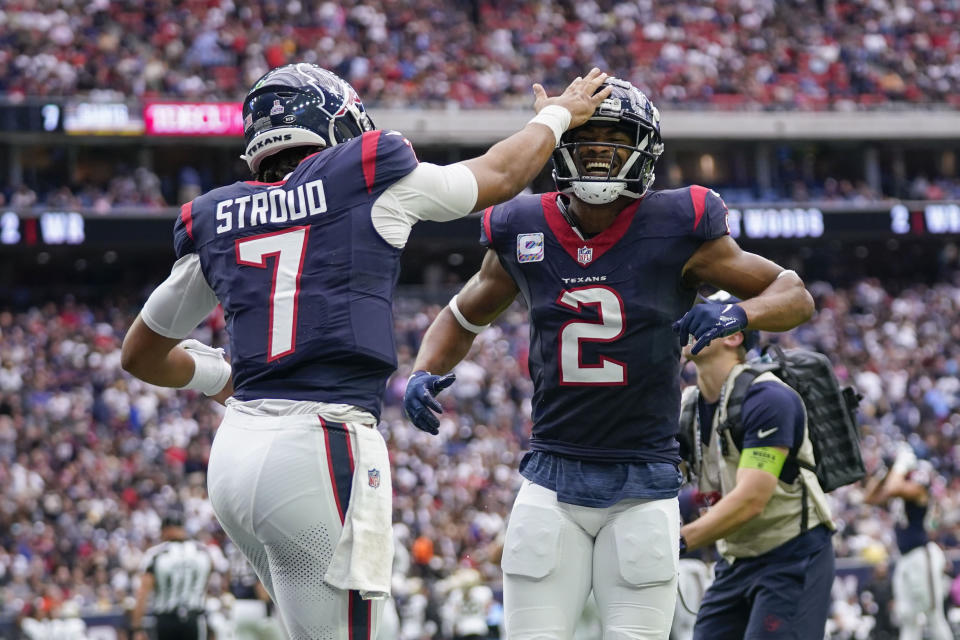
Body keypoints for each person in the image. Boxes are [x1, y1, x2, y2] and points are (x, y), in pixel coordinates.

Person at [120, 62, 613, 640]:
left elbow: (141, 354)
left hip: (234, 457)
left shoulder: (216, 214)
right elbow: (498, 176)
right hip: (319, 444)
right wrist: (557, 116)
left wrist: (220, 376)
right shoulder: (362, 173)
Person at [403, 77, 815, 639]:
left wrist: (739, 315)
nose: (598, 151)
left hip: (643, 482)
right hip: (551, 475)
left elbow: (794, 294)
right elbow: (461, 314)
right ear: (561, 145)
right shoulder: (522, 225)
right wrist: (425, 369)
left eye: (614, 139)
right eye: (586, 137)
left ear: (643, 148)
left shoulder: (679, 225)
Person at [676, 290, 836, 639]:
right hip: (735, 558)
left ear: (733, 335)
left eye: (702, 317)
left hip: (793, 555)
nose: (688, 323)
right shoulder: (688, 405)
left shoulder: (769, 397)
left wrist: (677, 541)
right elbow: (679, 486)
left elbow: (751, 498)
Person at [864, 446, 953, 640]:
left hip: (922, 556)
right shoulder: (899, 489)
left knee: (933, 615)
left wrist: (900, 466)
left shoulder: (917, 487)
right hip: (904, 559)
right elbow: (869, 498)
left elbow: (893, 487)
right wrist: (883, 473)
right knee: (907, 617)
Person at [131, 513, 217, 640]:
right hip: (195, 617)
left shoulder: (156, 554)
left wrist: (137, 628)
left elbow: (143, 592)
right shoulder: (202, 552)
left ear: (165, 530)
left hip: (166, 619)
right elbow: (207, 584)